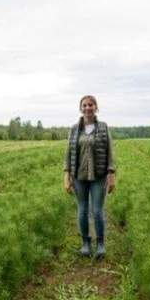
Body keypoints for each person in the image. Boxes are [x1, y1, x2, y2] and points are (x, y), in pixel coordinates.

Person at [63, 95, 116, 258]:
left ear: (96, 108)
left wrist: (111, 173)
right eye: (84, 105)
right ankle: (85, 243)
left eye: (91, 105)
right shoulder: (74, 129)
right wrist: (66, 175)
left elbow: (110, 151)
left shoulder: (103, 127)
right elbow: (68, 153)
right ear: (81, 108)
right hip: (79, 176)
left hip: (98, 176)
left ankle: (100, 243)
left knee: (97, 211)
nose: (87, 108)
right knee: (82, 210)